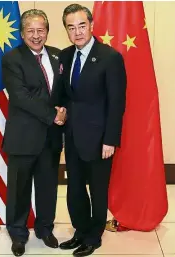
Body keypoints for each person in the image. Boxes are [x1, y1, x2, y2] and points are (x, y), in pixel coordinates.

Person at [58, 4, 127, 257]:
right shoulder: (65, 56)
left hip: (99, 139)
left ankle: (93, 236)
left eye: (81, 25)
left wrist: (110, 139)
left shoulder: (110, 57)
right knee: (74, 187)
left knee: (97, 189)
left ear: (91, 25)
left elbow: (117, 102)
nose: (77, 32)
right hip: (73, 136)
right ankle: (80, 230)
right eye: (71, 27)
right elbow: (64, 95)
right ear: (66, 29)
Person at [2, 9, 66, 256]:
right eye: (31, 30)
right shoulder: (12, 58)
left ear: (47, 31)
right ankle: (18, 234)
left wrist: (64, 110)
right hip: (23, 137)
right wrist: (53, 115)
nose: (36, 35)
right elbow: (21, 97)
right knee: (19, 189)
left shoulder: (58, 56)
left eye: (41, 30)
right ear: (22, 33)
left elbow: (64, 91)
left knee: (48, 186)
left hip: (50, 138)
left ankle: (45, 229)